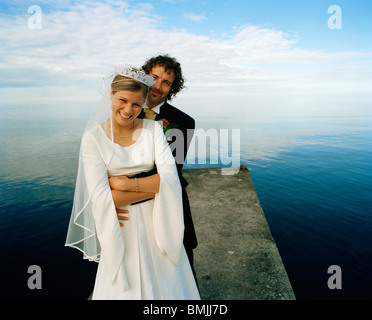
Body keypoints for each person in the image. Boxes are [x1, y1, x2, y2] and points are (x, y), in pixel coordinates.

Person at [65, 66, 200, 300]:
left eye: (137, 104)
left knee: (170, 286)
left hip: (158, 218)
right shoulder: (93, 139)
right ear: (111, 95)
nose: (129, 110)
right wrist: (155, 187)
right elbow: (101, 198)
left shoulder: (153, 129)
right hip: (122, 224)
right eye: (123, 100)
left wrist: (122, 186)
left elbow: (171, 179)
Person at [139, 55, 198, 282]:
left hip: (169, 198)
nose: (158, 86)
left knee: (181, 260)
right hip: (130, 203)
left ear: (172, 89)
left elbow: (172, 171)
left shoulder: (184, 122)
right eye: (154, 77)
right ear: (144, 76)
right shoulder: (123, 112)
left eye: (166, 82)